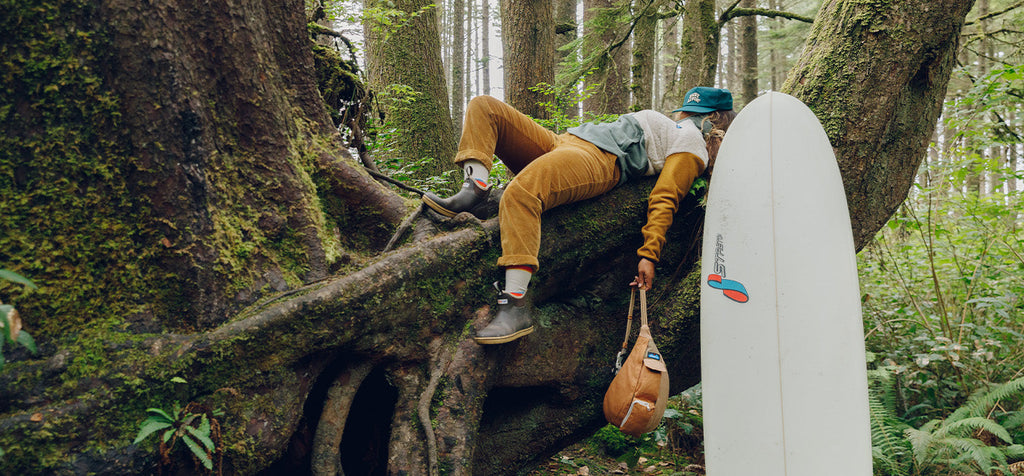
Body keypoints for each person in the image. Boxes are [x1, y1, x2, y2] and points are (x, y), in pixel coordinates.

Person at [423, 87, 737, 345]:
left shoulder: (692, 145)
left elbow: (665, 196)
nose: (688, 118)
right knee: (485, 106)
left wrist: (649, 254)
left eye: (698, 115)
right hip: (564, 141)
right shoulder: (681, 130)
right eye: (688, 112)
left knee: (521, 194)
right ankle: (475, 189)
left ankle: (515, 303)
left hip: (598, 158)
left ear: (714, 120)